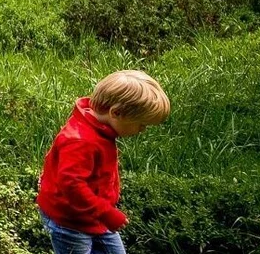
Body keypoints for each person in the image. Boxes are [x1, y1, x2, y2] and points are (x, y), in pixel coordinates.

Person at [37, 70, 171, 254]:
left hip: (95, 215)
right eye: (141, 124)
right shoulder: (81, 140)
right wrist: (105, 212)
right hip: (71, 222)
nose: (143, 130)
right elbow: (72, 184)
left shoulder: (99, 130)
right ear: (116, 113)